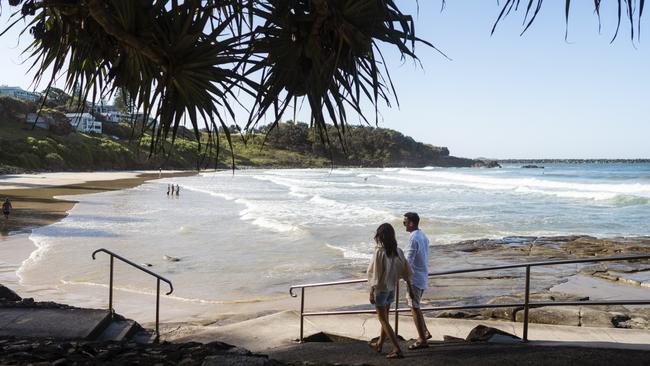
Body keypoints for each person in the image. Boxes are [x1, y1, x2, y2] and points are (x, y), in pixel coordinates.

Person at [367, 223, 414, 359]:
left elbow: (375, 275)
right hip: (392, 289)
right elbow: (406, 271)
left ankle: (397, 348)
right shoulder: (398, 251)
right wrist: (409, 288)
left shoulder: (379, 252)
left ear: (380, 236)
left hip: (381, 290)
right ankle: (379, 344)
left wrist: (371, 291)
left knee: (383, 319)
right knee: (386, 319)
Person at [403, 212, 432, 349]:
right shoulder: (423, 236)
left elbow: (408, 262)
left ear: (411, 223)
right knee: (416, 306)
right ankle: (425, 332)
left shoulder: (413, 239)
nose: (404, 225)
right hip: (422, 276)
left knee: (414, 307)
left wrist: (401, 276)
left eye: (405, 222)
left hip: (414, 279)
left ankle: (422, 339)